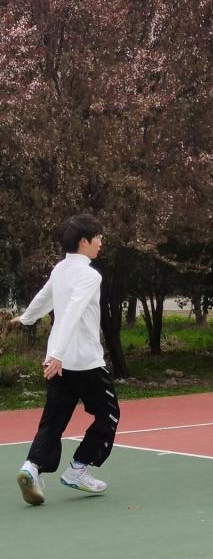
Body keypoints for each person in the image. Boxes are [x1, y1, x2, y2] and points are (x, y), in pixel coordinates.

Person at [11, 214, 120, 506]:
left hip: (57, 362)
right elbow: (72, 311)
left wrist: (27, 318)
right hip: (83, 361)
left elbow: (44, 297)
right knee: (108, 415)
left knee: (54, 419)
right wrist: (58, 353)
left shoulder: (60, 269)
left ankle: (31, 467)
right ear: (84, 241)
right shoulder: (90, 275)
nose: (101, 242)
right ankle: (78, 469)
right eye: (98, 237)